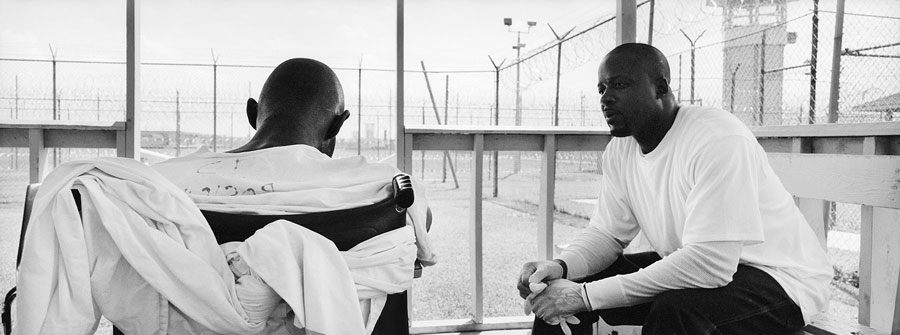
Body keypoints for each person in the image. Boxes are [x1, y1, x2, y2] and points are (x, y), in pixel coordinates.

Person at [517, 43, 831, 335]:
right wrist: (560, 267)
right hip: (699, 269)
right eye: (602, 88)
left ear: (661, 87)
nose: (605, 98)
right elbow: (607, 234)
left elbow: (710, 265)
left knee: (676, 312)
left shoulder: (715, 138)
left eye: (620, 84)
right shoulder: (620, 151)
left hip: (781, 282)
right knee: (564, 282)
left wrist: (585, 297)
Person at [152, 58, 435, 267]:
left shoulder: (161, 181)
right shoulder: (381, 186)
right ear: (337, 126)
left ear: (252, 113)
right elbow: (423, 219)